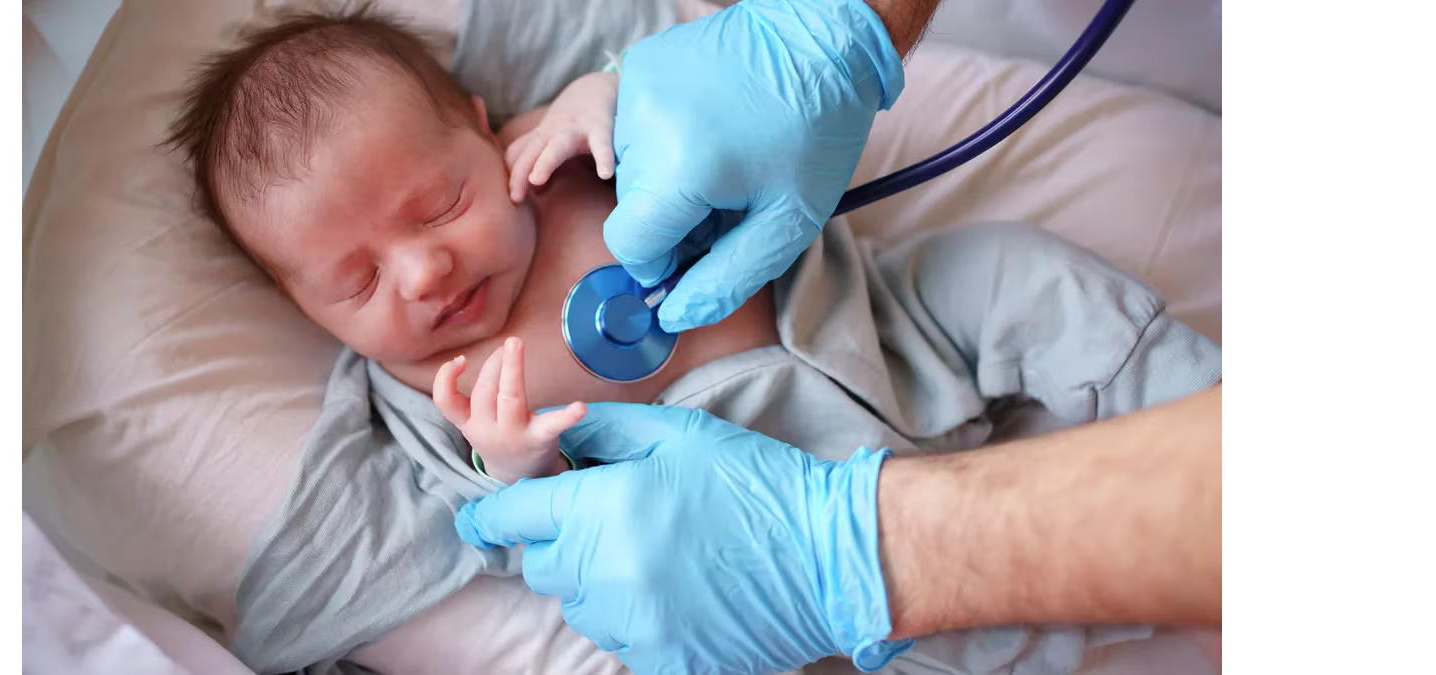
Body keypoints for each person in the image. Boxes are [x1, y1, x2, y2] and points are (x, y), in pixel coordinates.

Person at [455, 0, 1224, 673]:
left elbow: (648, 90)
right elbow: (532, 517)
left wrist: (597, 95)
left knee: (1022, 279)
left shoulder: (541, 150)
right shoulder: (436, 382)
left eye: (438, 201)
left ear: (475, 126)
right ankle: (1149, 603)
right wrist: (520, 459)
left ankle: (1185, 396)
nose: (422, 269)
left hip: (884, 324)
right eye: (372, 279)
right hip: (754, 507)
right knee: (938, 630)